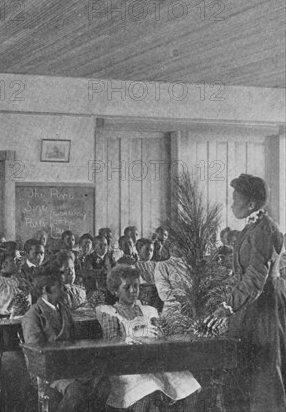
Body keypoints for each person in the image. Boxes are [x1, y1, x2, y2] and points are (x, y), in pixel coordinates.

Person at [204, 174, 286, 412]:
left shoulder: (265, 229)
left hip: (263, 307)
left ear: (250, 204)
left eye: (234, 199)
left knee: (265, 374)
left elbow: (254, 279)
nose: (231, 205)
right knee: (245, 369)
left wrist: (227, 307)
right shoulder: (252, 226)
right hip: (251, 305)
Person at [97, 266, 200, 411]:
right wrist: (135, 334)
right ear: (115, 291)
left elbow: (161, 335)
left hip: (155, 364)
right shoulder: (110, 312)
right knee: (148, 392)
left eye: (136, 286)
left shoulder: (149, 311)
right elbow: (111, 343)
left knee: (188, 387)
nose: (133, 291)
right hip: (127, 368)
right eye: (127, 287)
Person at [22, 271, 105, 412]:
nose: (66, 288)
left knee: (103, 383)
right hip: (47, 372)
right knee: (76, 391)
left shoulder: (64, 310)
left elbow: (76, 341)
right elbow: (36, 354)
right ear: (47, 289)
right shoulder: (33, 315)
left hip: (70, 366)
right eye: (61, 285)